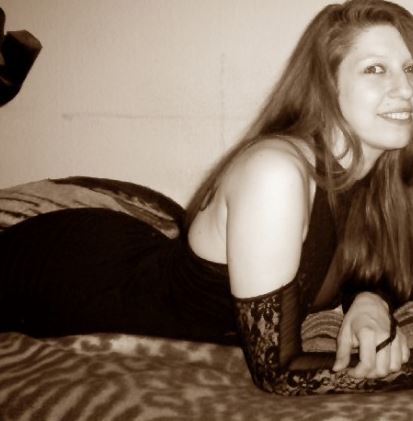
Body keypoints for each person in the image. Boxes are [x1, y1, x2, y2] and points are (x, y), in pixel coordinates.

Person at [1, 0, 413, 395]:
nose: (406, 89)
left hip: (134, 248)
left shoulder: (375, 177)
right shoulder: (278, 172)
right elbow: (279, 373)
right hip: (71, 277)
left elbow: (371, 266)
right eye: (375, 69)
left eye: (410, 68)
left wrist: (369, 302)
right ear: (327, 84)